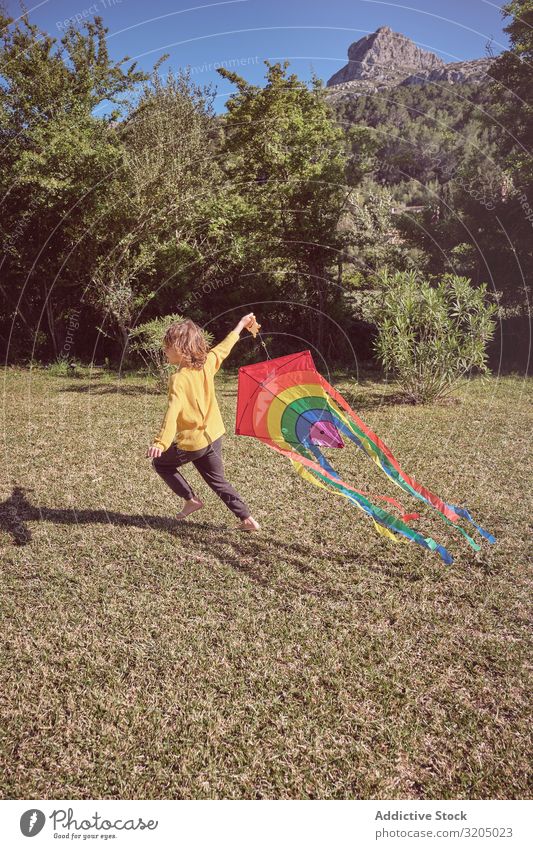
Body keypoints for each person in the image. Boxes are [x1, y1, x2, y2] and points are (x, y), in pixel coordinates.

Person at [146, 314, 260, 531]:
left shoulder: (178, 379)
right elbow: (223, 348)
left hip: (193, 443)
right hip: (214, 436)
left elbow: (172, 413)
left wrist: (160, 443)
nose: (165, 350)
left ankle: (191, 500)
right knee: (218, 481)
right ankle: (248, 519)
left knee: (161, 464)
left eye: (168, 346)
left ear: (182, 348)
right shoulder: (206, 363)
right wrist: (241, 325)